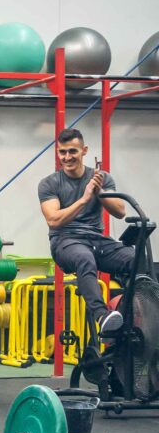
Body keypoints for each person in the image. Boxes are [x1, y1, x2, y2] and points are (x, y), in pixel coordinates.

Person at [37, 127, 131, 335]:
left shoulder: (102, 178)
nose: (67, 157)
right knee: (84, 257)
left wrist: (100, 192)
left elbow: (120, 212)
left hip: (98, 240)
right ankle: (102, 316)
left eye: (72, 151)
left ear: (84, 150)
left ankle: (137, 313)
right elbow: (53, 220)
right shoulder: (49, 183)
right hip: (65, 242)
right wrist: (85, 198)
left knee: (136, 259)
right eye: (63, 152)